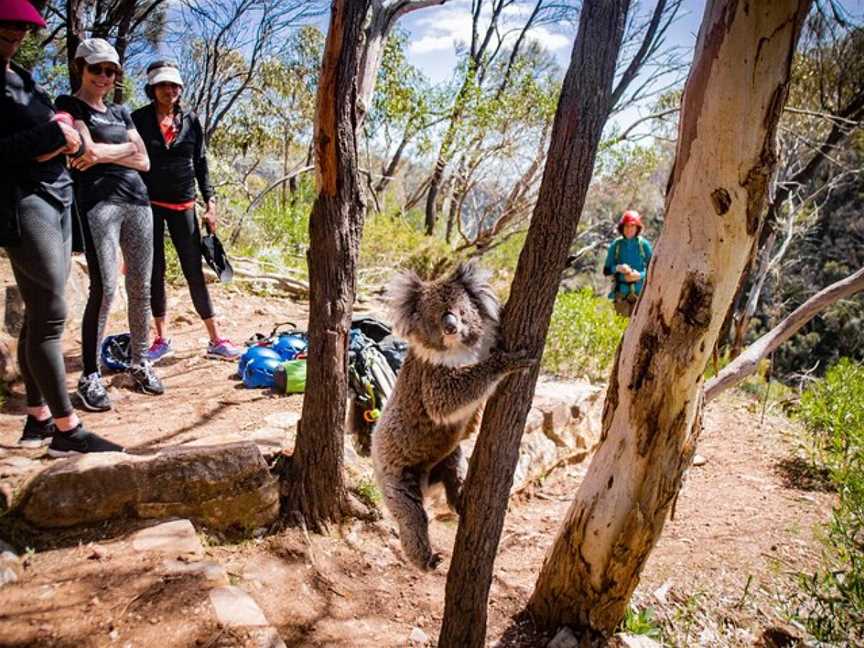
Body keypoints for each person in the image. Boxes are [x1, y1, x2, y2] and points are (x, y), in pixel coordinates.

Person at [1, 1, 122, 454]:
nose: (15, 31)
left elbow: (49, 124)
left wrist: (60, 135)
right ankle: (67, 432)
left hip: (56, 195)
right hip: (22, 202)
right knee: (52, 313)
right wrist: (54, 137)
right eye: (5, 24)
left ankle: (37, 421)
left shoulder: (22, 78)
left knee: (38, 313)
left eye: (20, 26)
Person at [56, 38, 164, 412]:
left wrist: (106, 153)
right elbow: (84, 152)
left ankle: (139, 362)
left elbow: (145, 161)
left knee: (142, 288)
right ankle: (89, 376)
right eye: (96, 69)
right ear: (81, 68)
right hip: (99, 204)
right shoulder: (69, 105)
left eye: (111, 71)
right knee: (104, 290)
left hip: (138, 202)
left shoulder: (120, 113)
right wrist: (120, 152)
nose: (104, 76)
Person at [131, 60, 242, 362]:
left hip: (184, 204)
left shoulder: (191, 120)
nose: (170, 90)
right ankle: (161, 339)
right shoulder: (137, 120)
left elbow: (201, 163)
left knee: (194, 269)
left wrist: (211, 202)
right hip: (148, 205)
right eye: (164, 85)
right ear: (152, 89)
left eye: (175, 86)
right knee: (155, 272)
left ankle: (216, 339)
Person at [603, 210, 653, 318]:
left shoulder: (644, 245)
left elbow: (654, 269)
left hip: (640, 294)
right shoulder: (616, 245)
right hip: (621, 294)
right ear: (622, 228)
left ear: (637, 228)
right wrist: (618, 268)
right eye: (626, 226)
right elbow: (606, 270)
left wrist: (640, 275)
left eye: (632, 226)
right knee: (622, 327)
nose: (629, 229)